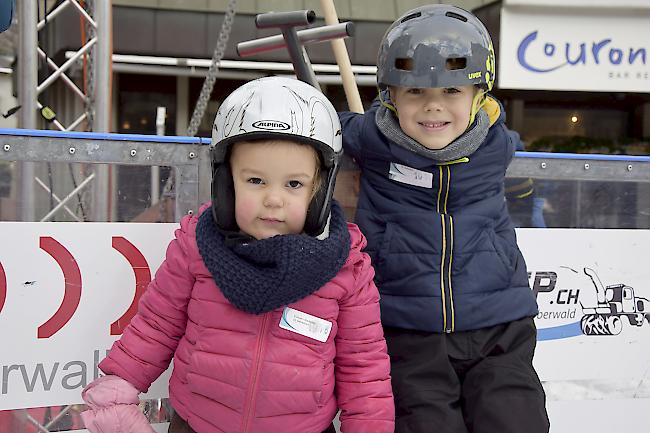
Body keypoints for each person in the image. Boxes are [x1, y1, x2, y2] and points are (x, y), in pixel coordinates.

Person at [80, 76, 394, 433]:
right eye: (255, 181)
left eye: (293, 184)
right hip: (197, 424)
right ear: (226, 183)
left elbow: (364, 370)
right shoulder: (197, 247)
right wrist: (121, 383)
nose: (273, 199)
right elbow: (157, 326)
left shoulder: (345, 268)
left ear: (318, 190)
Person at [338, 5, 550, 433]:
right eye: (415, 92)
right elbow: (316, 131)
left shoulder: (496, 144)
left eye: (451, 91)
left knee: (515, 422)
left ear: (479, 95)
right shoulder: (370, 140)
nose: (433, 107)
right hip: (408, 327)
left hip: (498, 324)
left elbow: (527, 196)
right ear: (390, 95)